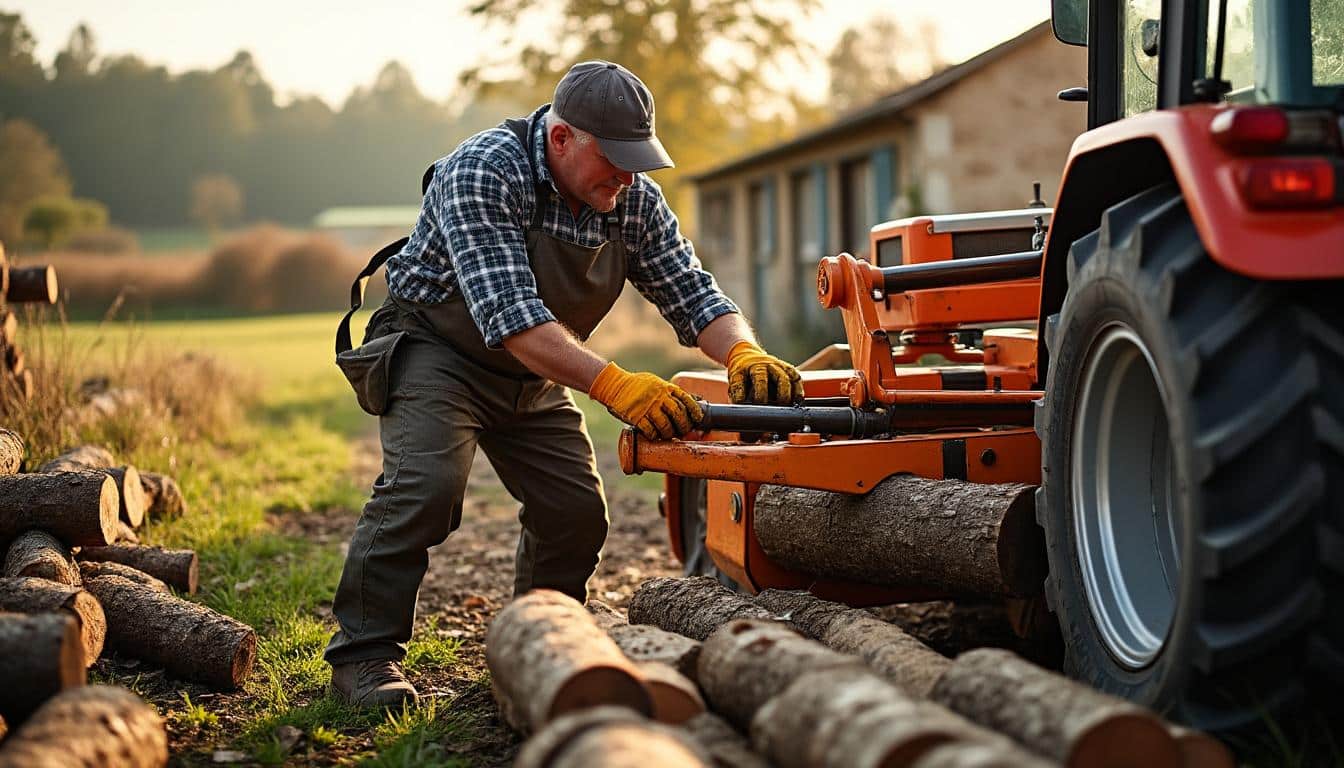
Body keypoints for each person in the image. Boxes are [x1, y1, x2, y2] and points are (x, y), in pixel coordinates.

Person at [327, 60, 802, 709]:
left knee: (575, 513)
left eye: (639, 160)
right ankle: (363, 656)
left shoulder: (630, 199)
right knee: (425, 488)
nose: (627, 177)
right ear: (561, 138)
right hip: (439, 350)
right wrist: (618, 386)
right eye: (615, 159)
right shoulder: (484, 171)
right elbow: (513, 318)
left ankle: (541, 641)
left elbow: (691, 292)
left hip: (538, 369)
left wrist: (743, 352)